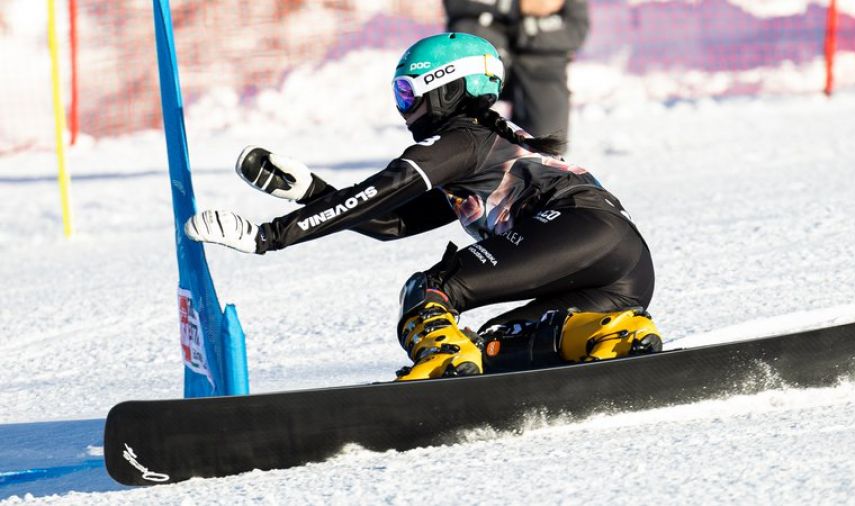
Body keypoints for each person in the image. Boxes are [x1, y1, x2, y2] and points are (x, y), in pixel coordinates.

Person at [185, 33, 660, 381]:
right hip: (626, 265)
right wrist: (313, 190)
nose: (403, 107)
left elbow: (383, 189)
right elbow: (392, 223)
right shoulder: (486, 146)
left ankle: (443, 366)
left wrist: (269, 236)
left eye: (407, 92)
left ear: (446, 88)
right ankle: (613, 334)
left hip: (577, 227)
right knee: (497, 343)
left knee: (429, 290)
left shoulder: (459, 139)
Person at [443, 0, 590, 151]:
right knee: (453, 123)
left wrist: (527, 28)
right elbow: (456, 4)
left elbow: (576, 30)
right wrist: (515, 5)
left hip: (541, 61)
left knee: (548, 146)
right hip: (483, 48)